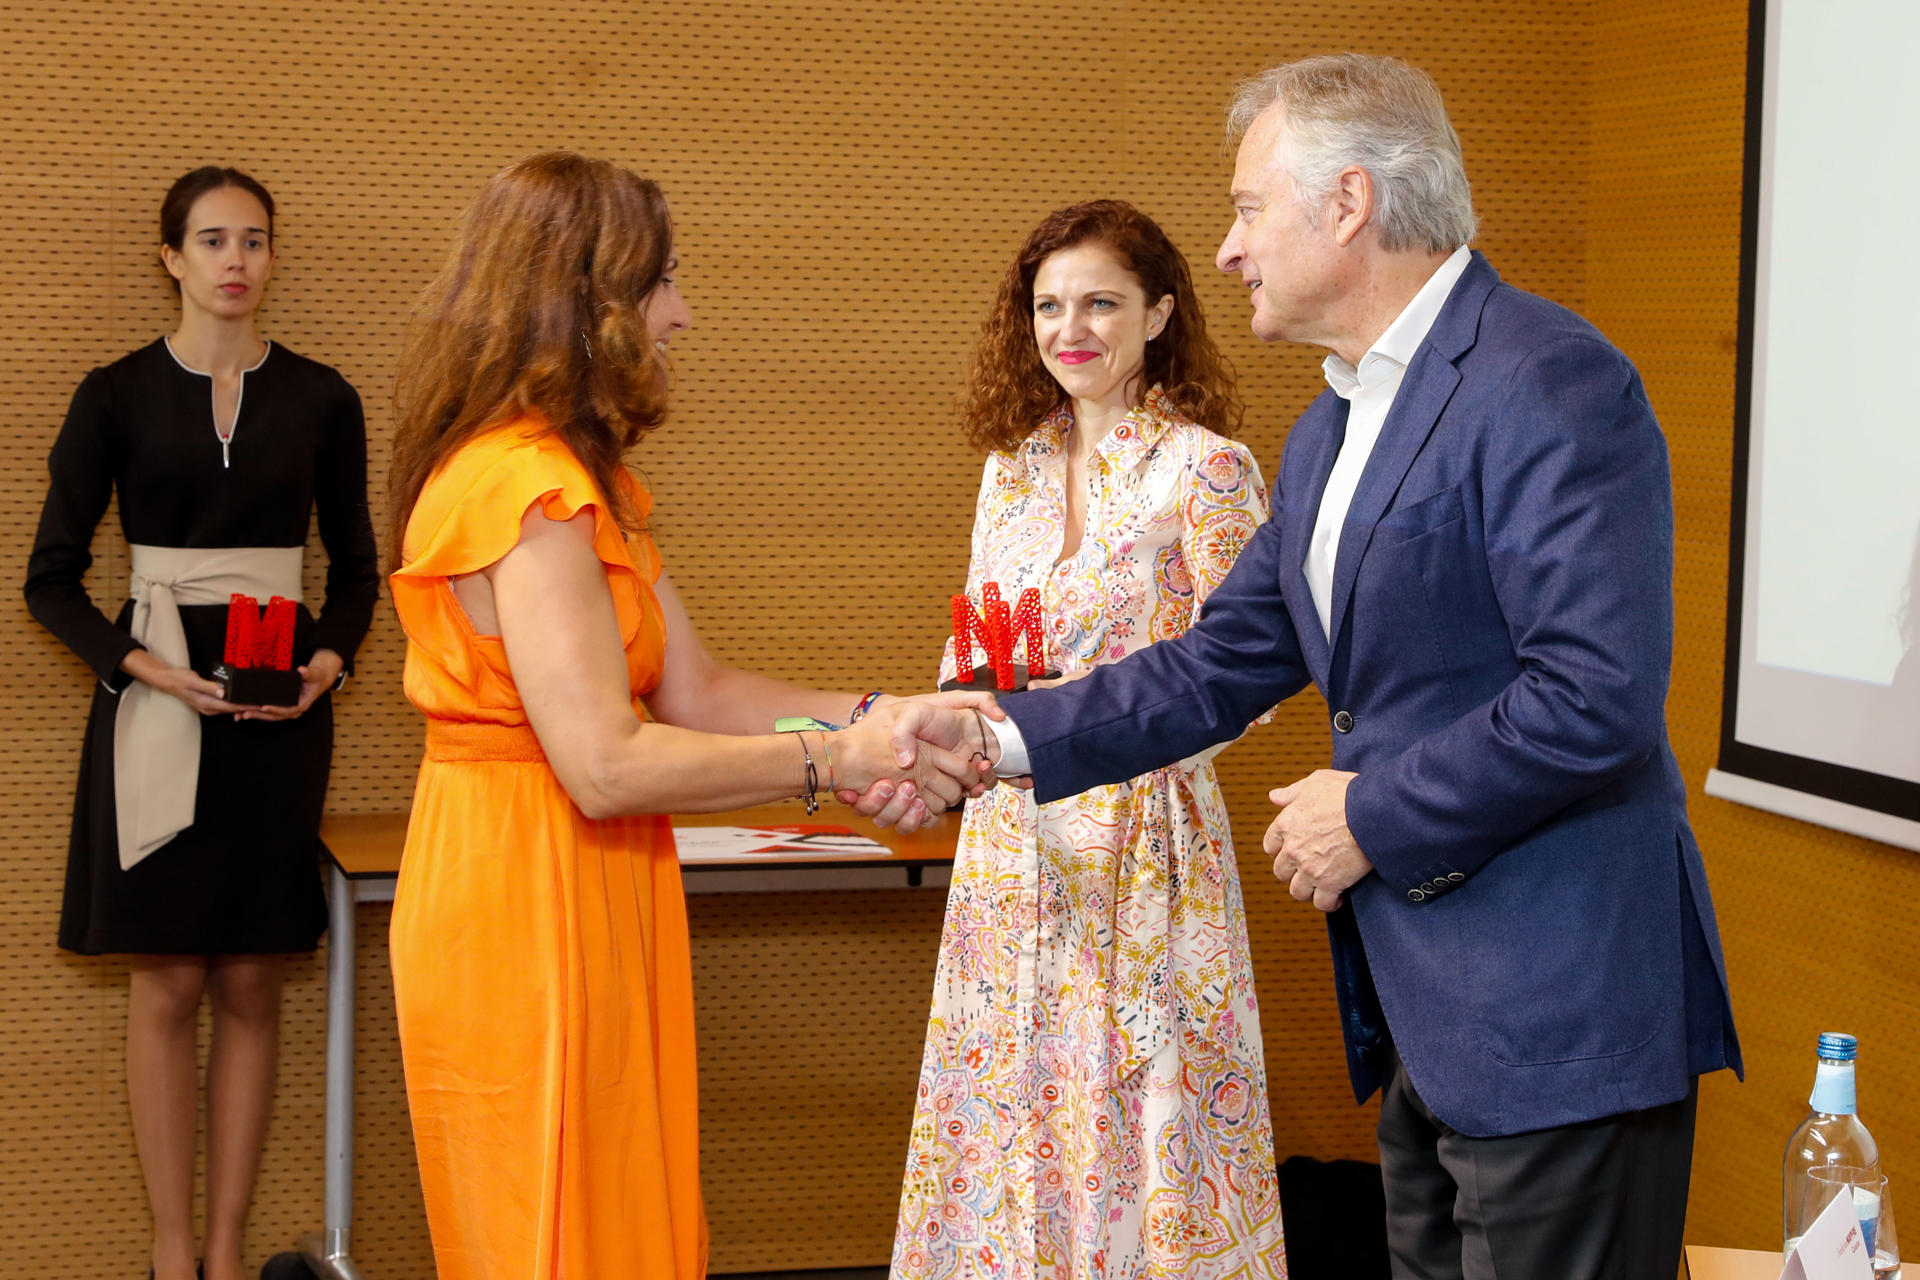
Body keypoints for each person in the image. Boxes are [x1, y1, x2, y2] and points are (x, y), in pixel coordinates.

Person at [893, 55, 1742, 1280]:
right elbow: (1220, 662)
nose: (1230, 250)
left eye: (1246, 209)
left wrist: (1371, 811)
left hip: (1558, 1022)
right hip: (1427, 1024)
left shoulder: (1546, 377)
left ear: (1347, 204)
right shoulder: (1335, 418)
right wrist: (993, 739)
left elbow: (1594, 696)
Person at [383, 150, 994, 1280]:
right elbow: (605, 762)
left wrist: (887, 714)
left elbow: (698, 690)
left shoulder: (584, 479)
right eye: (662, 282)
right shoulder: (524, 489)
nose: (683, 312)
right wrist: (836, 762)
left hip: (595, 878)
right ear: (591, 300)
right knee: (557, 1235)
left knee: (623, 1218)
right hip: (523, 894)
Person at [889, 200, 1287, 1280]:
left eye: (1101, 302)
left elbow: (1253, 680)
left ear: (1159, 313)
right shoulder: (1008, 467)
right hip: (1009, 841)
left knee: (1138, 1122)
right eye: (1049, 306)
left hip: (1143, 847)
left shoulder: (1207, 467)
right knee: (1009, 1110)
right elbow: (977, 637)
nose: (1072, 328)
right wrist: (940, 723)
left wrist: (1103, 720)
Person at [23, 167, 379, 1280]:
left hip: (279, 701)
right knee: (167, 976)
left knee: (251, 977)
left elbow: (363, 570)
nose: (237, 260)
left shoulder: (323, 397)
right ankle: (172, 1256)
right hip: (155, 695)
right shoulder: (114, 393)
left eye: (256, 240)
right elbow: (49, 580)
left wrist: (327, 661)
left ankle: (226, 1253)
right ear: (170, 256)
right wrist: (148, 673)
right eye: (213, 239)